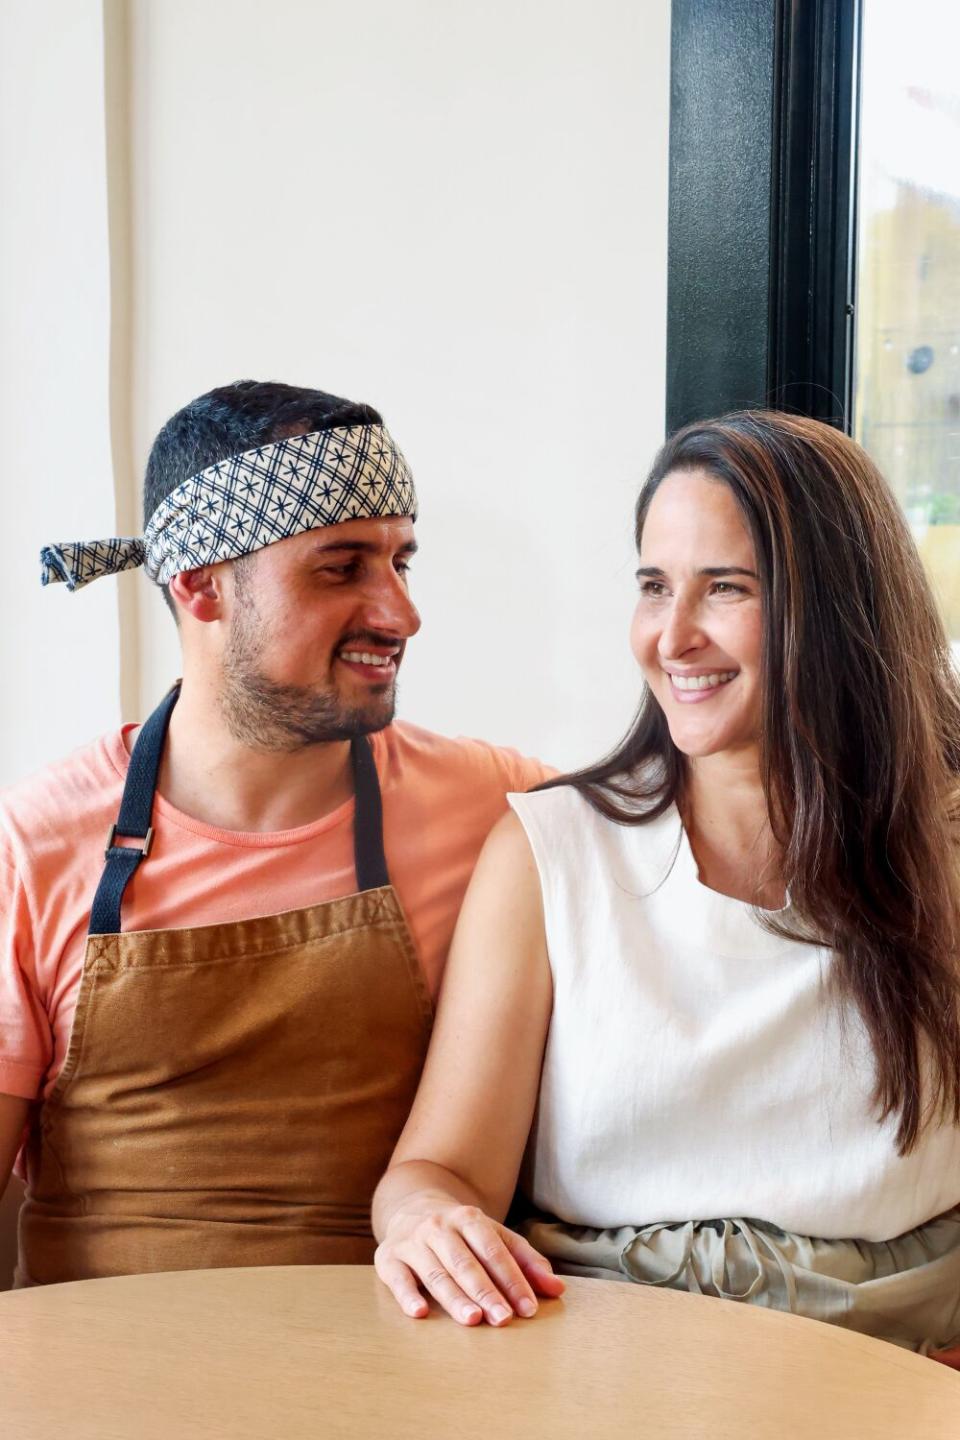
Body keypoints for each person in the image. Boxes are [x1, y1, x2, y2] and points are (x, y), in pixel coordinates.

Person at [372, 409, 960, 1363]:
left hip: (901, 1371)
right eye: (653, 587)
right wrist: (428, 1222)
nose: (671, 637)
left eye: (723, 588)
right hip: (596, 1365)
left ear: (841, 606)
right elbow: (434, 1171)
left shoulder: (948, 847)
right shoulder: (550, 850)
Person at [0, 379, 549, 1287]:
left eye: (401, 562)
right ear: (202, 586)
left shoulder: (502, 808)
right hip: (104, 1391)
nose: (400, 613)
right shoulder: (34, 845)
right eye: (341, 568)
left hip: (395, 1377)